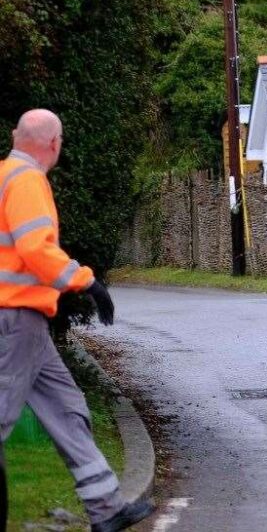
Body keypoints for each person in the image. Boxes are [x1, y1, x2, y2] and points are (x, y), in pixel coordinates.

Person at [0, 110, 154, 532]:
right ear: (54, 144)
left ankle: (106, 508)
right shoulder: (27, 181)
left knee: (67, 409)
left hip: (23, 319)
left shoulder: (5, 175)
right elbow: (35, 248)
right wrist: (87, 282)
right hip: (16, 318)